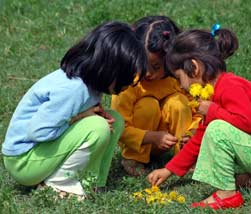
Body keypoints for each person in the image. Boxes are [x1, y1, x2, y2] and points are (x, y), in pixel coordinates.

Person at [147, 24, 251, 210]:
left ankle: (226, 195)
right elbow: (200, 139)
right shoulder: (214, 92)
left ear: (194, 68)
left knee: (217, 128)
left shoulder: (230, 86)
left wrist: (212, 111)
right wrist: (168, 170)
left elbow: (247, 123)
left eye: (179, 78)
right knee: (214, 128)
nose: (180, 85)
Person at [2, 21, 147, 199]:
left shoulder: (90, 84)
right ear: (108, 68)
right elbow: (38, 132)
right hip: (24, 161)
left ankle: (91, 183)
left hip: (40, 153)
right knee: (98, 127)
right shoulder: (74, 89)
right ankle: (58, 184)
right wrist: (81, 117)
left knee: (114, 120)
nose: (130, 82)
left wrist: (84, 116)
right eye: (126, 75)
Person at [111, 16, 202, 177]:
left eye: (155, 67)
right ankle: (134, 159)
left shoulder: (180, 78)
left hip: (170, 139)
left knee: (178, 103)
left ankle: (186, 156)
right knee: (148, 105)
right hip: (142, 140)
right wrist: (150, 137)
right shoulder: (129, 82)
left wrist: (191, 133)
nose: (148, 73)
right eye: (142, 64)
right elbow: (119, 126)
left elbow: (197, 111)